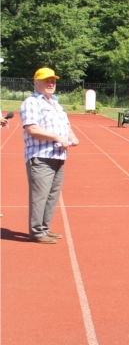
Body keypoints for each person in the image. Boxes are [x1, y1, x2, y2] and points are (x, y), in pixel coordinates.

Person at [20, 67, 79, 244]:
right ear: (36, 83)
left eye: (53, 80)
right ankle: (37, 232)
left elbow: (66, 125)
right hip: (41, 156)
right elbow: (32, 129)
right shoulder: (32, 103)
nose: (51, 83)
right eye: (46, 80)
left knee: (52, 195)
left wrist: (72, 136)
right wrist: (56, 137)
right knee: (40, 195)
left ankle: (44, 228)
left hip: (58, 156)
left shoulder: (56, 103)